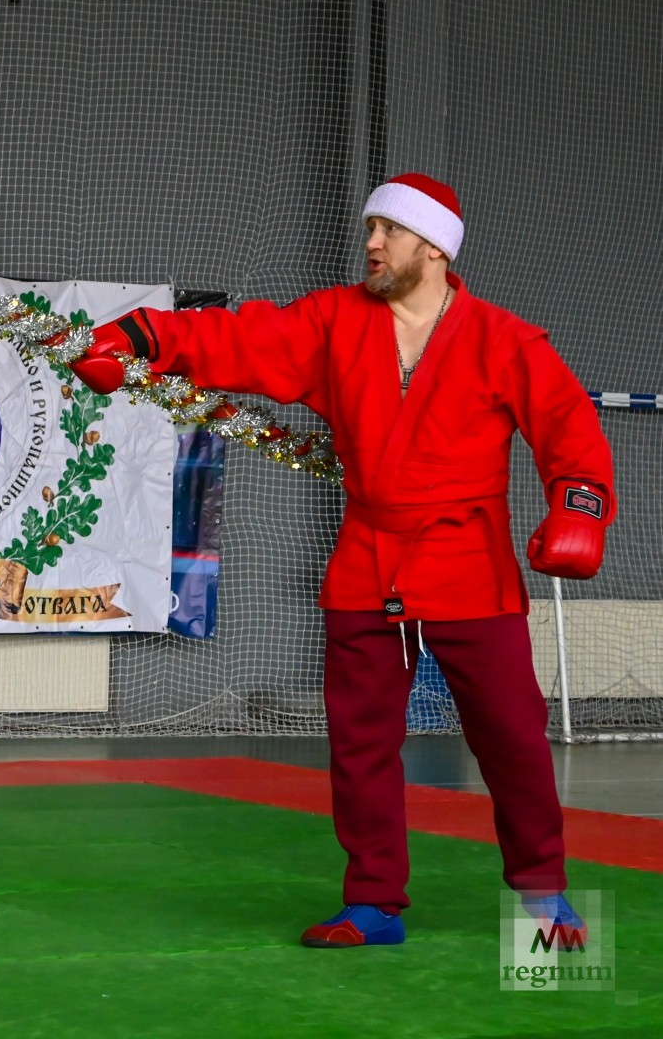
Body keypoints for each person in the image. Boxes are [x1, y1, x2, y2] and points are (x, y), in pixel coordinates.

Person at [66, 174, 615, 949]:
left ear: (434, 247)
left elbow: (567, 426)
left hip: (469, 563)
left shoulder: (505, 339)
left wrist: (579, 507)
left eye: (388, 230)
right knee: (359, 744)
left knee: (513, 739)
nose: (372, 244)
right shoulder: (331, 322)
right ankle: (373, 903)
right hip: (367, 562)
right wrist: (144, 339)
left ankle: (542, 892)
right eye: (370, 230)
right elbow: (241, 338)